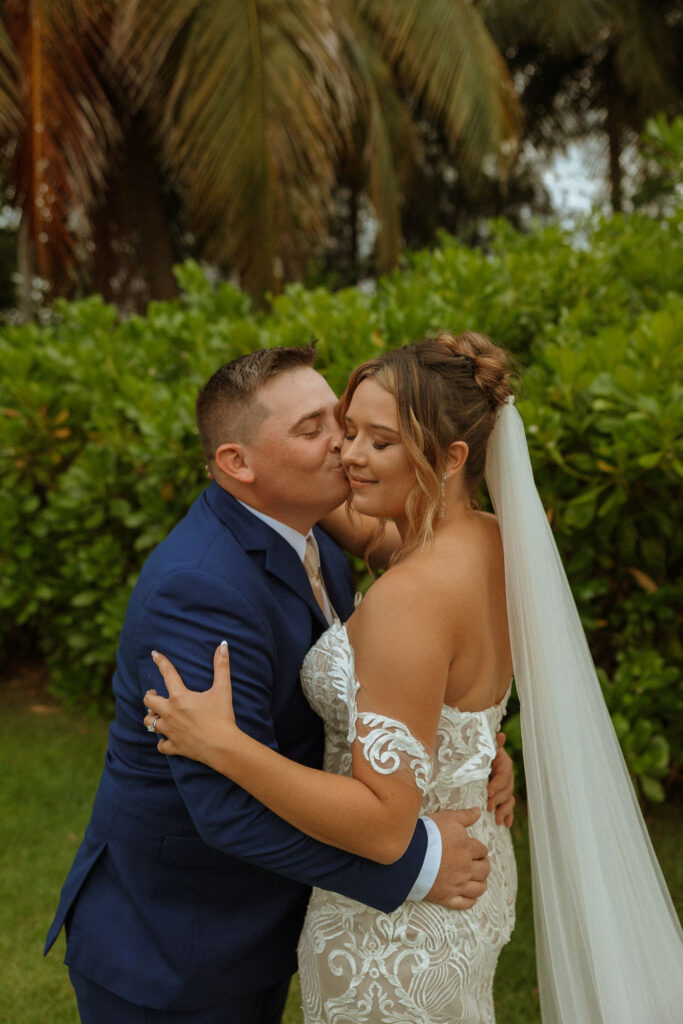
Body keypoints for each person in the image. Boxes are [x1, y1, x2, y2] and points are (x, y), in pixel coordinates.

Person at [144, 331, 683, 1024]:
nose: (348, 453)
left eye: (378, 441)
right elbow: (456, 695)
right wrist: (483, 750)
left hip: (394, 921)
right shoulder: (490, 540)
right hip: (474, 859)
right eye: (343, 431)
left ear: (450, 456)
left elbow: (380, 826)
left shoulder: (411, 595)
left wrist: (224, 744)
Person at [44, 344, 515, 1024]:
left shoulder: (321, 532)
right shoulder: (197, 589)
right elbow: (225, 812)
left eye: (347, 424)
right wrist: (415, 864)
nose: (343, 448)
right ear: (237, 463)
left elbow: (429, 653)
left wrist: (469, 743)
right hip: (180, 945)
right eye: (315, 430)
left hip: (271, 920)